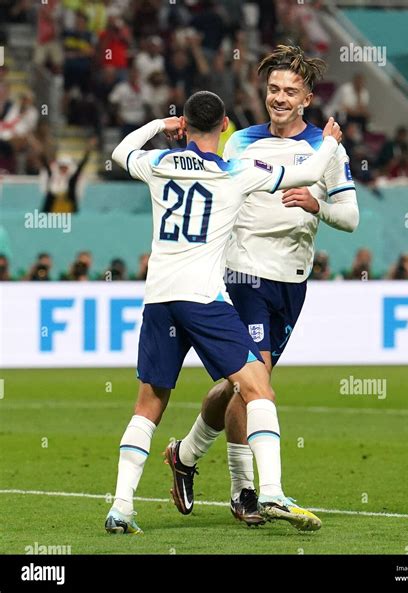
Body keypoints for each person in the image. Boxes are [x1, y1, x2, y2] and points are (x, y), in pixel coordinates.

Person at [106, 90, 343, 534]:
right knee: (258, 389)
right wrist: (328, 140)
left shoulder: (161, 164)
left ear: (184, 126)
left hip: (159, 298)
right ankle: (270, 490)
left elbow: (121, 152)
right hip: (203, 299)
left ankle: (121, 507)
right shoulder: (238, 170)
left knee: (148, 405)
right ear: (226, 125)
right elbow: (309, 171)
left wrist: (160, 126)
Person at [172, 45, 359, 526]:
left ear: (307, 99)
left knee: (238, 384)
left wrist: (317, 207)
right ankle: (246, 490)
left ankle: (186, 454)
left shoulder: (326, 148)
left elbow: (351, 218)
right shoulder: (240, 143)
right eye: (273, 89)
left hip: (291, 282)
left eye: (289, 92)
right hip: (243, 275)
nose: (278, 98)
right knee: (257, 384)